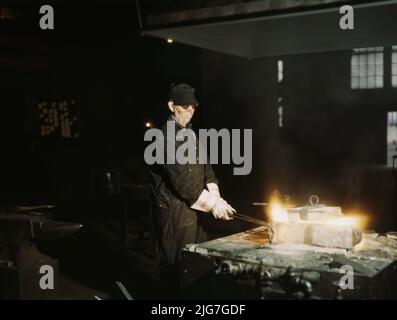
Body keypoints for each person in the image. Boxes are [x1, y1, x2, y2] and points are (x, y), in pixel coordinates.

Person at [149, 83, 236, 288]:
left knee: (195, 261)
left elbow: (205, 167)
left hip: (193, 207)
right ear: (172, 105)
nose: (189, 110)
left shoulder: (189, 132)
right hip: (173, 212)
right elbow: (183, 182)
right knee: (176, 266)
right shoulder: (164, 137)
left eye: (193, 107)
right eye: (184, 105)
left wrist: (216, 195)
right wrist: (213, 205)